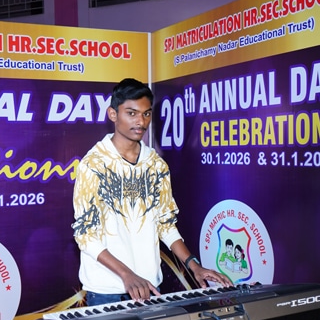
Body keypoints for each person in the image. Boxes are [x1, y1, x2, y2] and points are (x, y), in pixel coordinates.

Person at [72, 78, 233, 306]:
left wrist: (194, 266)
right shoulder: (93, 165)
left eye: (146, 114)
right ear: (113, 114)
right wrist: (127, 275)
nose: (141, 121)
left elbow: (165, 225)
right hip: (106, 291)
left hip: (150, 287)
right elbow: (86, 235)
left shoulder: (156, 165)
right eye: (131, 113)